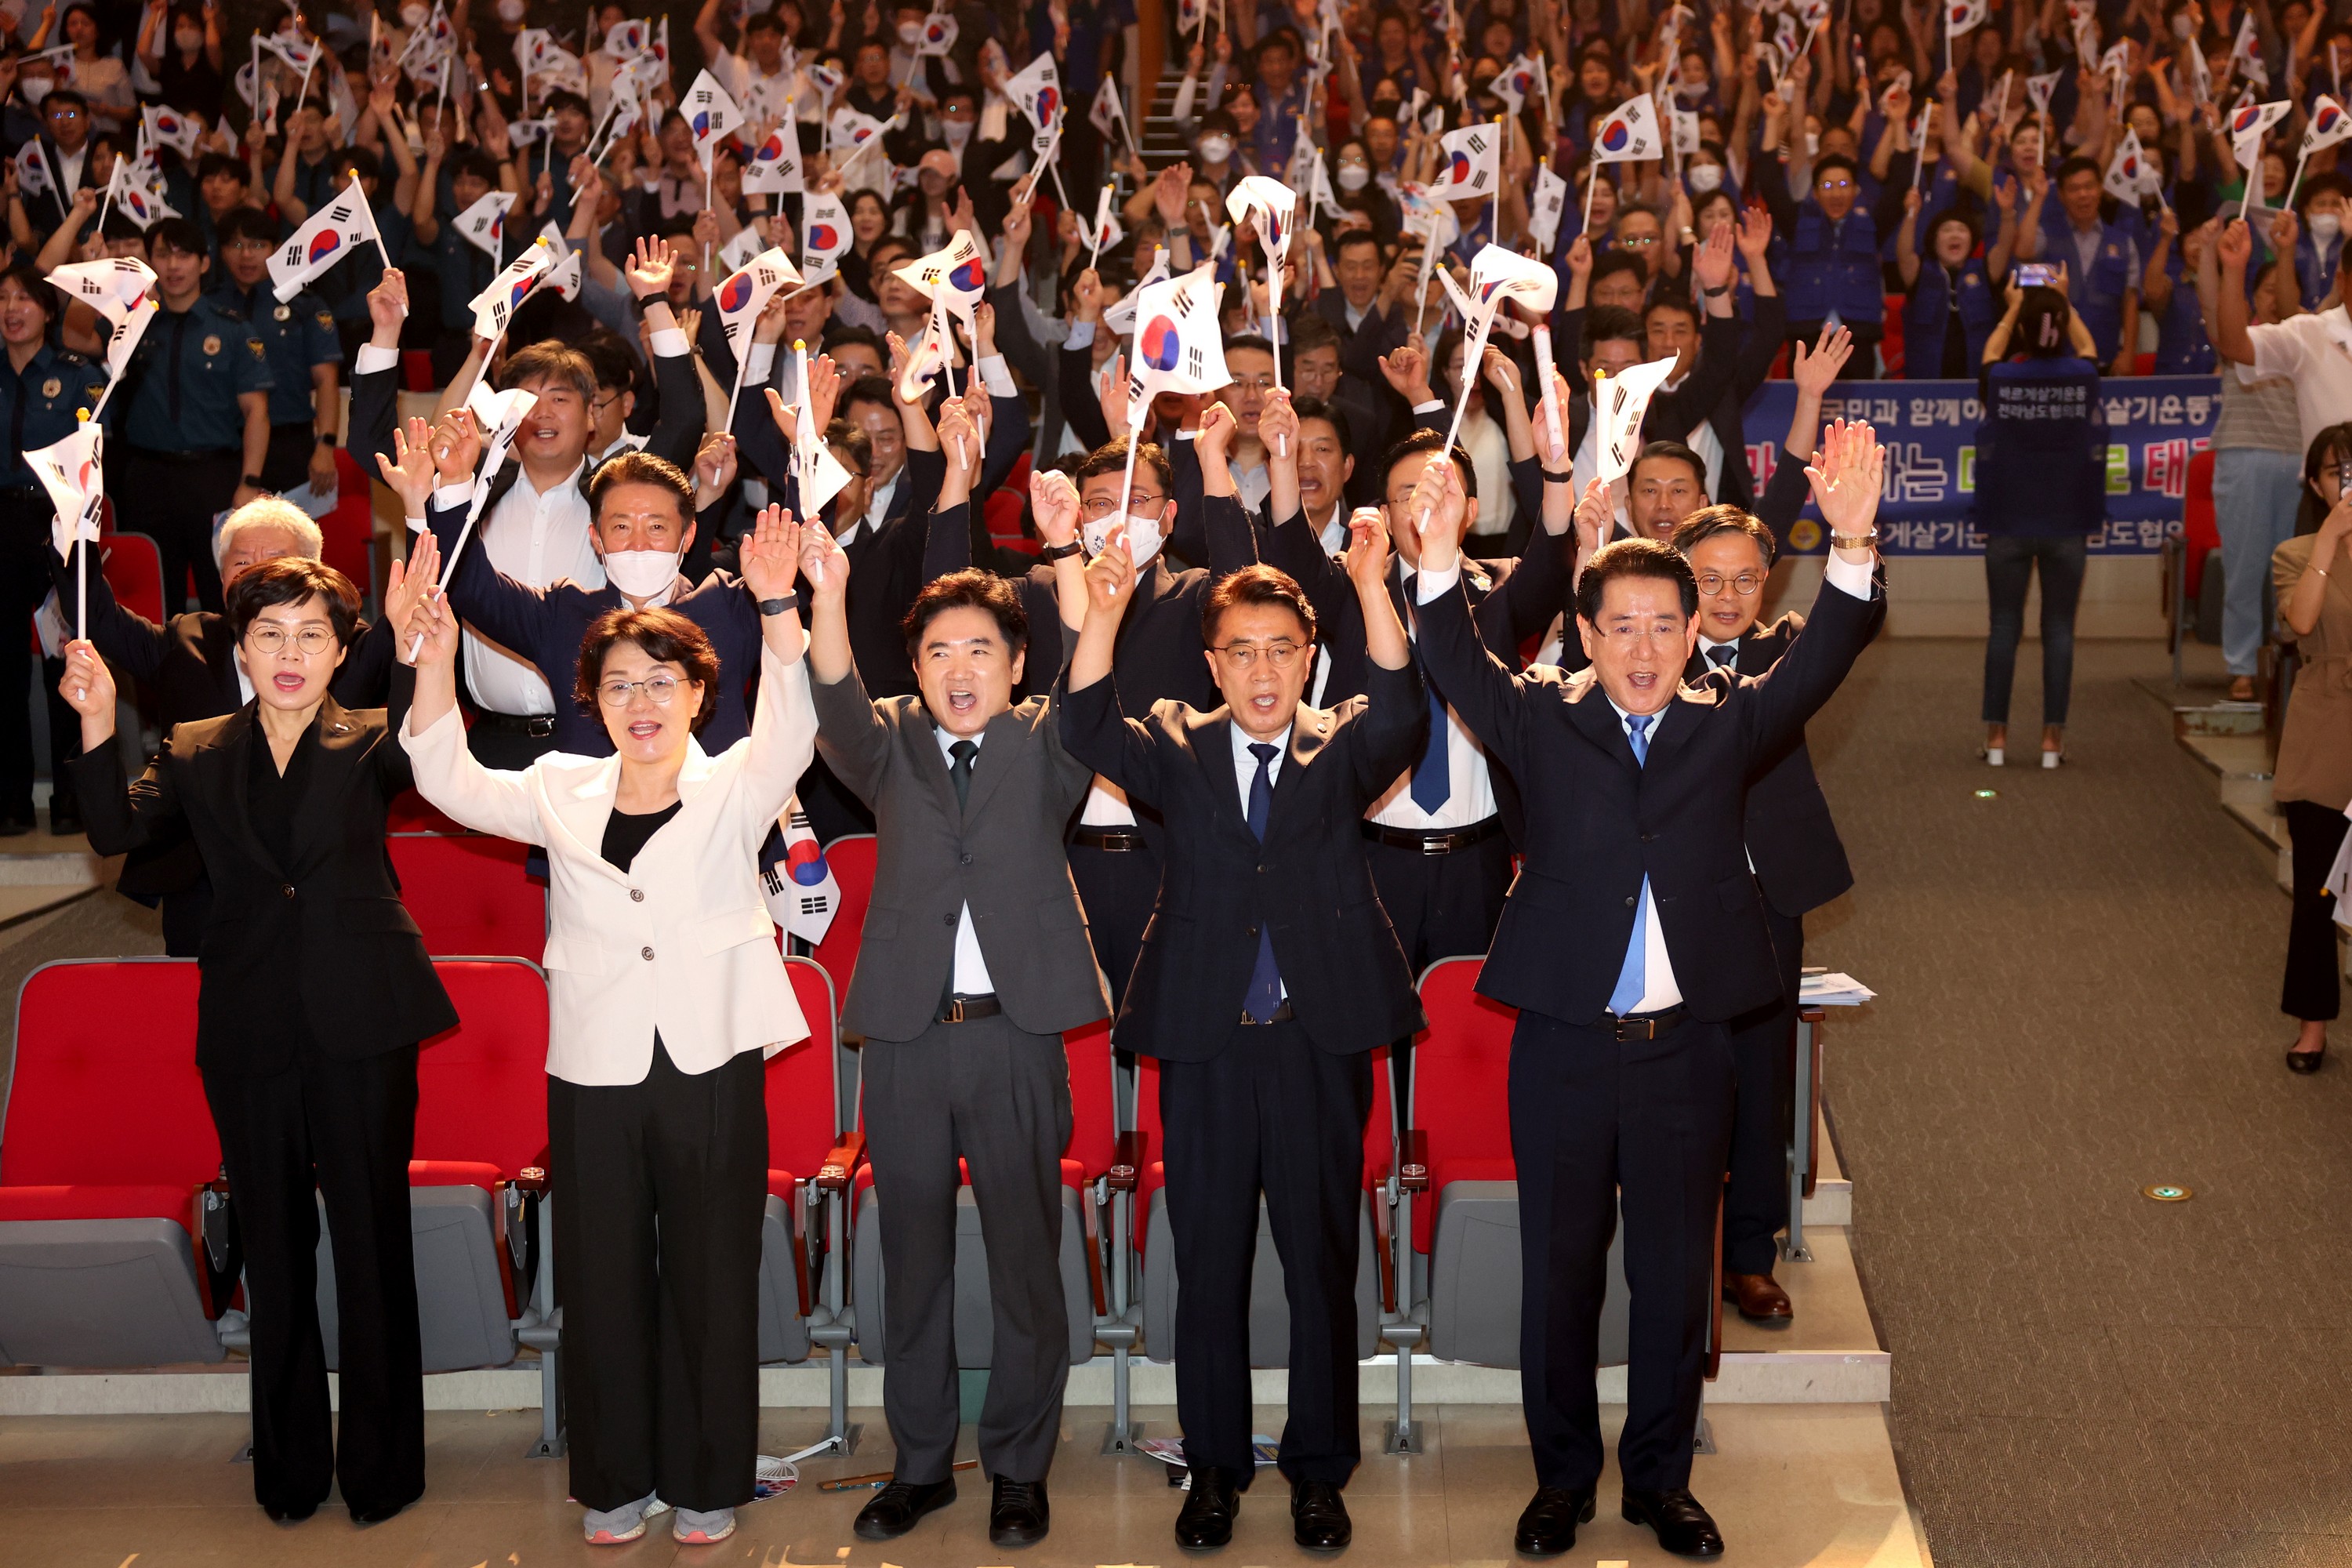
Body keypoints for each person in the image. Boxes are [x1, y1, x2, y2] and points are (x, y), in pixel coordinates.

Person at [1404, 422, 1886, 1561]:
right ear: (1586, 631)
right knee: (1560, 1275)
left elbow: (1825, 653)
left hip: (1687, 1051)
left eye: (1663, 627)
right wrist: (1432, 556)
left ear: (1690, 637)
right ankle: (1562, 1479)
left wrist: (1854, 538)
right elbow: (1452, 658)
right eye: (1619, 626)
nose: (1642, 647)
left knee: (1676, 1281)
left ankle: (1660, 1481)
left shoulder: (1732, 721)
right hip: (1566, 1044)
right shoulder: (1539, 716)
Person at [395, 510, 818, 1548]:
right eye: (620, 682)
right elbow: (445, 781)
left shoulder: (738, 784)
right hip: (593, 1061)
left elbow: (798, 731)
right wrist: (435, 665)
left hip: (710, 1056)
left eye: (662, 682)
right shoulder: (554, 786)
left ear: (698, 696)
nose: (642, 701)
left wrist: (775, 607)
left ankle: (710, 1481)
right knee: (601, 1271)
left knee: (713, 1274)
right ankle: (616, 1480)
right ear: (588, 697)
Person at [1059, 480, 1427, 1555]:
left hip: (1319, 1041)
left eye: (1281, 651)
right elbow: (1085, 722)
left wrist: (1367, 582)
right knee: (1209, 1260)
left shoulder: (1346, 739)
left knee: (1321, 1260)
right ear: (1211, 664)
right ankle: (1213, 1468)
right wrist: (1106, 612)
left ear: (1308, 659)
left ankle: (1318, 1472)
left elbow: (1405, 707)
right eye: (1241, 653)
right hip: (1209, 1043)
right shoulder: (1174, 739)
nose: (1263, 672)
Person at [60, 554, 459, 1526]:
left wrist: (425, 647)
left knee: (370, 1242)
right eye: (269, 633)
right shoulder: (195, 745)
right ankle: (287, 1470)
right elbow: (114, 829)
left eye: (311, 634)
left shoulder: (375, 738)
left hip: (364, 1018)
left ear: (341, 650)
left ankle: (382, 1468)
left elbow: (436, 743)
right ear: (239, 646)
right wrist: (99, 716)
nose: (289, 653)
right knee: (275, 1251)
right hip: (246, 1024)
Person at [804, 424, 1109, 1551]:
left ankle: (1021, 1465)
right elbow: (830, 694)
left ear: (1013, 665)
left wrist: (1070, 553)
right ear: (917, 667)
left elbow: (1093, 667)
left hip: (1020, 1034)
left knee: (1030, 1252)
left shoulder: (1051, 742)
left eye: (981, 649)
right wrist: (827, 590)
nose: (961, 668)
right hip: (906, 1037)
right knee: (913, 1257)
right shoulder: (885, 742)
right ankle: (923, 1462)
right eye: (939, 652)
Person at [1668, 504, 1870, 1325]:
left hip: (1763, 898)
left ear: (1767, 580)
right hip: (1670, 899)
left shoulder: (1785, 649)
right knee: (1674, 1081)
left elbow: (1851, 621)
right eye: (1708, 578)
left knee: (1760, 1081)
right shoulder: (1645, 652)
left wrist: (1854, 535)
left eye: (1745, 577)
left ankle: (1750, 1254)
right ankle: (1679, 1251)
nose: (1726, 595)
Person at [52, 498, 397, 952]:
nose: (254, 573)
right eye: (241, 562)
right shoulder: (187, 645)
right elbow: (97, 619)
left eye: (274, 561)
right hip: (206, 882)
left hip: (325, 889)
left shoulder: (348, 647)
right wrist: (72, 528)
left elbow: (419, 691)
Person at [1974, 272, 2107, 768]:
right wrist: (2064, 301)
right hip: (2068, 523)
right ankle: (2053, 741)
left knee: (2004, 627)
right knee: (2059, 630)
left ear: (2024, 331)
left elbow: (1990, 353)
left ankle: (1996, 741)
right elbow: (2089, 345)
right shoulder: (2085, 377)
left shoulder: (2003, 379)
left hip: (2007, 521)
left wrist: (2012, 308)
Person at [108, 216, 273, 614]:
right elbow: (73, 334)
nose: (173, 266)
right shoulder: (130, 325)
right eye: (162, 255)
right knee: (156, 602)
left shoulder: (233, 330)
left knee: (223, 595)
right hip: (148, 477)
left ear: (203, 263)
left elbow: (257, 412)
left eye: (183, 256)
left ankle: (222, 677)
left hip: (212, 477)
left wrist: (249, 482)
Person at [0, 260, 106, 837]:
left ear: (46, 310)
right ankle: (12, 798)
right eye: (3, 297)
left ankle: (71, 799)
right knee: (4, 668)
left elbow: (92, 462)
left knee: (65, 659)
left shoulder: (76, 375)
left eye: (24, 298)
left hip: (55, 523)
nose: (12, 308)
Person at [2268, 422, 2352, 1073]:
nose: (2347, 483)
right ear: (2317, 484)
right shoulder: (2296, 551)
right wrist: (2331, 536)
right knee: (2316, 893)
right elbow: (2300, 622)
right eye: (2336, 473)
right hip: (2325, 728)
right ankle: (2312, 1025)